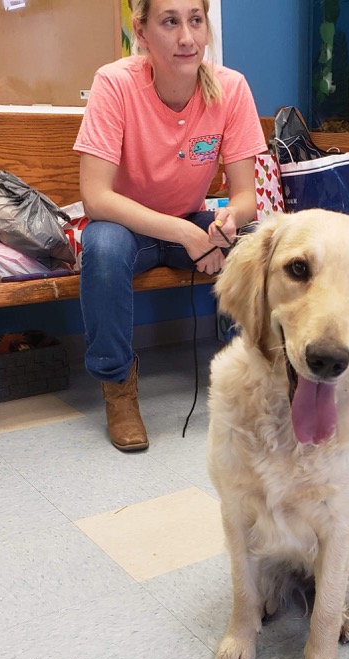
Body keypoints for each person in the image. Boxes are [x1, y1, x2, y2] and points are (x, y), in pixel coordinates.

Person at [74, 0, 266, 451]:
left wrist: (225, 224)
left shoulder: (230, 88)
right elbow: (96, 198)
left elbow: (246, 199)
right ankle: (118, 388)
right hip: (126, 227)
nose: (187, 38)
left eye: (195, 21)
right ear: (142, 33)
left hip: (193, 222)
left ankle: (250, 378)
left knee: (258, 244)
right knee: (100, 248)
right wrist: (184, 233)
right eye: (170, 22)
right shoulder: (115, 84)